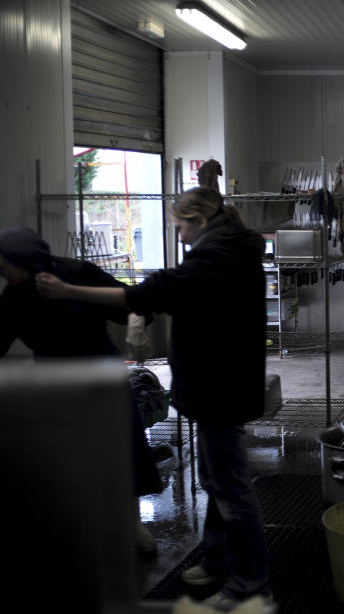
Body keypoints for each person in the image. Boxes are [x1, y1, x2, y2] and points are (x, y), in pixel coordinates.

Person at [36, 185, 272, 611]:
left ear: (198, 221)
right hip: (218, 384)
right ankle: (219, 558)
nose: (178, 235)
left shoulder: (218, 256)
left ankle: (250, 584)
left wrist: (68, 291)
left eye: (179, 227)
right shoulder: (224, 247)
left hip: (220, 388)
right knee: (216, 480)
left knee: (232, 489)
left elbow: (152, 292)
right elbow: (172, 289)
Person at [0, 226, 162, 552]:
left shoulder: (77, 273)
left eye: (5, 265)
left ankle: (132, 525)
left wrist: (135, 325)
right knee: (67, 461)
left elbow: (135, 303)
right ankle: (77, 529)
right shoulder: (14, 297)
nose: (2, 272)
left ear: (26, 262)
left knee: (122, 450)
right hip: (55, 384)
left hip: (101, 375)